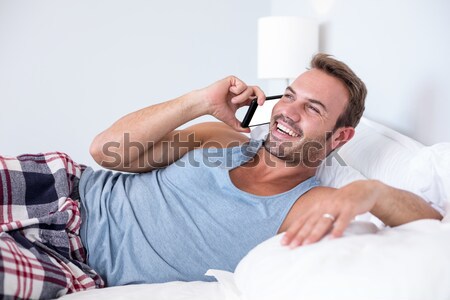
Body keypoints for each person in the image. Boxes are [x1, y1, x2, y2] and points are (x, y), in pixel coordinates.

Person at [0, 53, 442, 298]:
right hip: (65, 188)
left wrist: (369, 192)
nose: (288, 111)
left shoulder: (305, 205)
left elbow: (430, 223)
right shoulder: (222, 137)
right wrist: (198, 102)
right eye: (290, 95)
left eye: (313, 108)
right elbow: (105, 150)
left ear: (341, 137)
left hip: (74, 263)